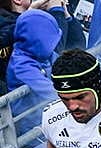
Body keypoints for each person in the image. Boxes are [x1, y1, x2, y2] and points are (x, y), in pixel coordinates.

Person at [6, 8, 60, 136]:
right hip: (32, 132)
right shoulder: (20, 65)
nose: (54, 45)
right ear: (40, 39)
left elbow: (66, 66)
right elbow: (51, 92)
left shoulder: (45, 54)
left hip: (48, 120)